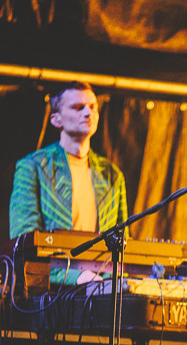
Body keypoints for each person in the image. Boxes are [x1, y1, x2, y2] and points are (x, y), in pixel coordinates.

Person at [9, 81, 128, 285]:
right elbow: (24, 242)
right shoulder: (32, 166)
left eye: (92, 107)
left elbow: (122, 242)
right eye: (77, 107)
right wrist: (75, 276)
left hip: (104, 283)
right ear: (56, 119)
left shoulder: (111, 175)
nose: (88, 113)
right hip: (52, 290)